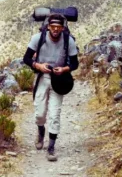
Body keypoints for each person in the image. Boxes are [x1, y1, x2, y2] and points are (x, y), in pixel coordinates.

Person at [22, 13, 79, 162]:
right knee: (40, 113)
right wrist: (39, 66)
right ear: (48, 27)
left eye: (58, 27)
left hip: (58, 80)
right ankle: (41, 131)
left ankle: (51, 147)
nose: (55, 30)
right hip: (41, 78)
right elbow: (26, 58)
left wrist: (64, 69)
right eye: (52, 27)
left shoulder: (68, 41)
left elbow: (75, 63)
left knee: (55, 114)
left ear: (62, 28)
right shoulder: (38, 38)